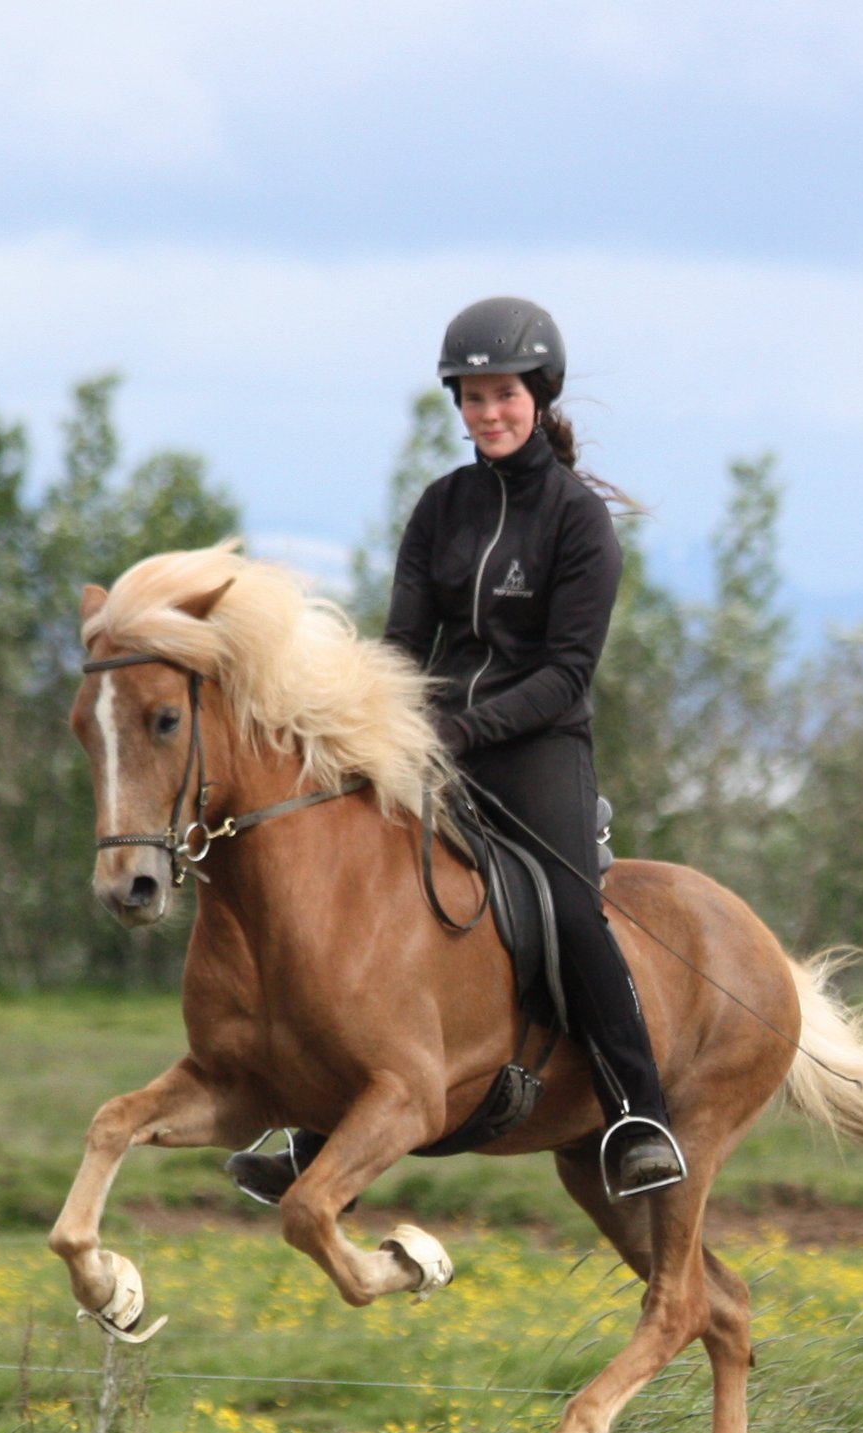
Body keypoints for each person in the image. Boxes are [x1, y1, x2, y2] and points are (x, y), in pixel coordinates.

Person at [227, 296, 687, 1204]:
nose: (489, 413)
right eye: (473, 398)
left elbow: (566, 674)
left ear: (539, 396)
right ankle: (316, 1128)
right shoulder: (441, 507)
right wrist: (365, 721)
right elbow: (405, 645)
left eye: (504, 395)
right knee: (347, 885)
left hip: (538, 747)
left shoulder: (578, 522)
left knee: (569, 907)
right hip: (432, 744)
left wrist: (464, 728)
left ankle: (640, 1113)